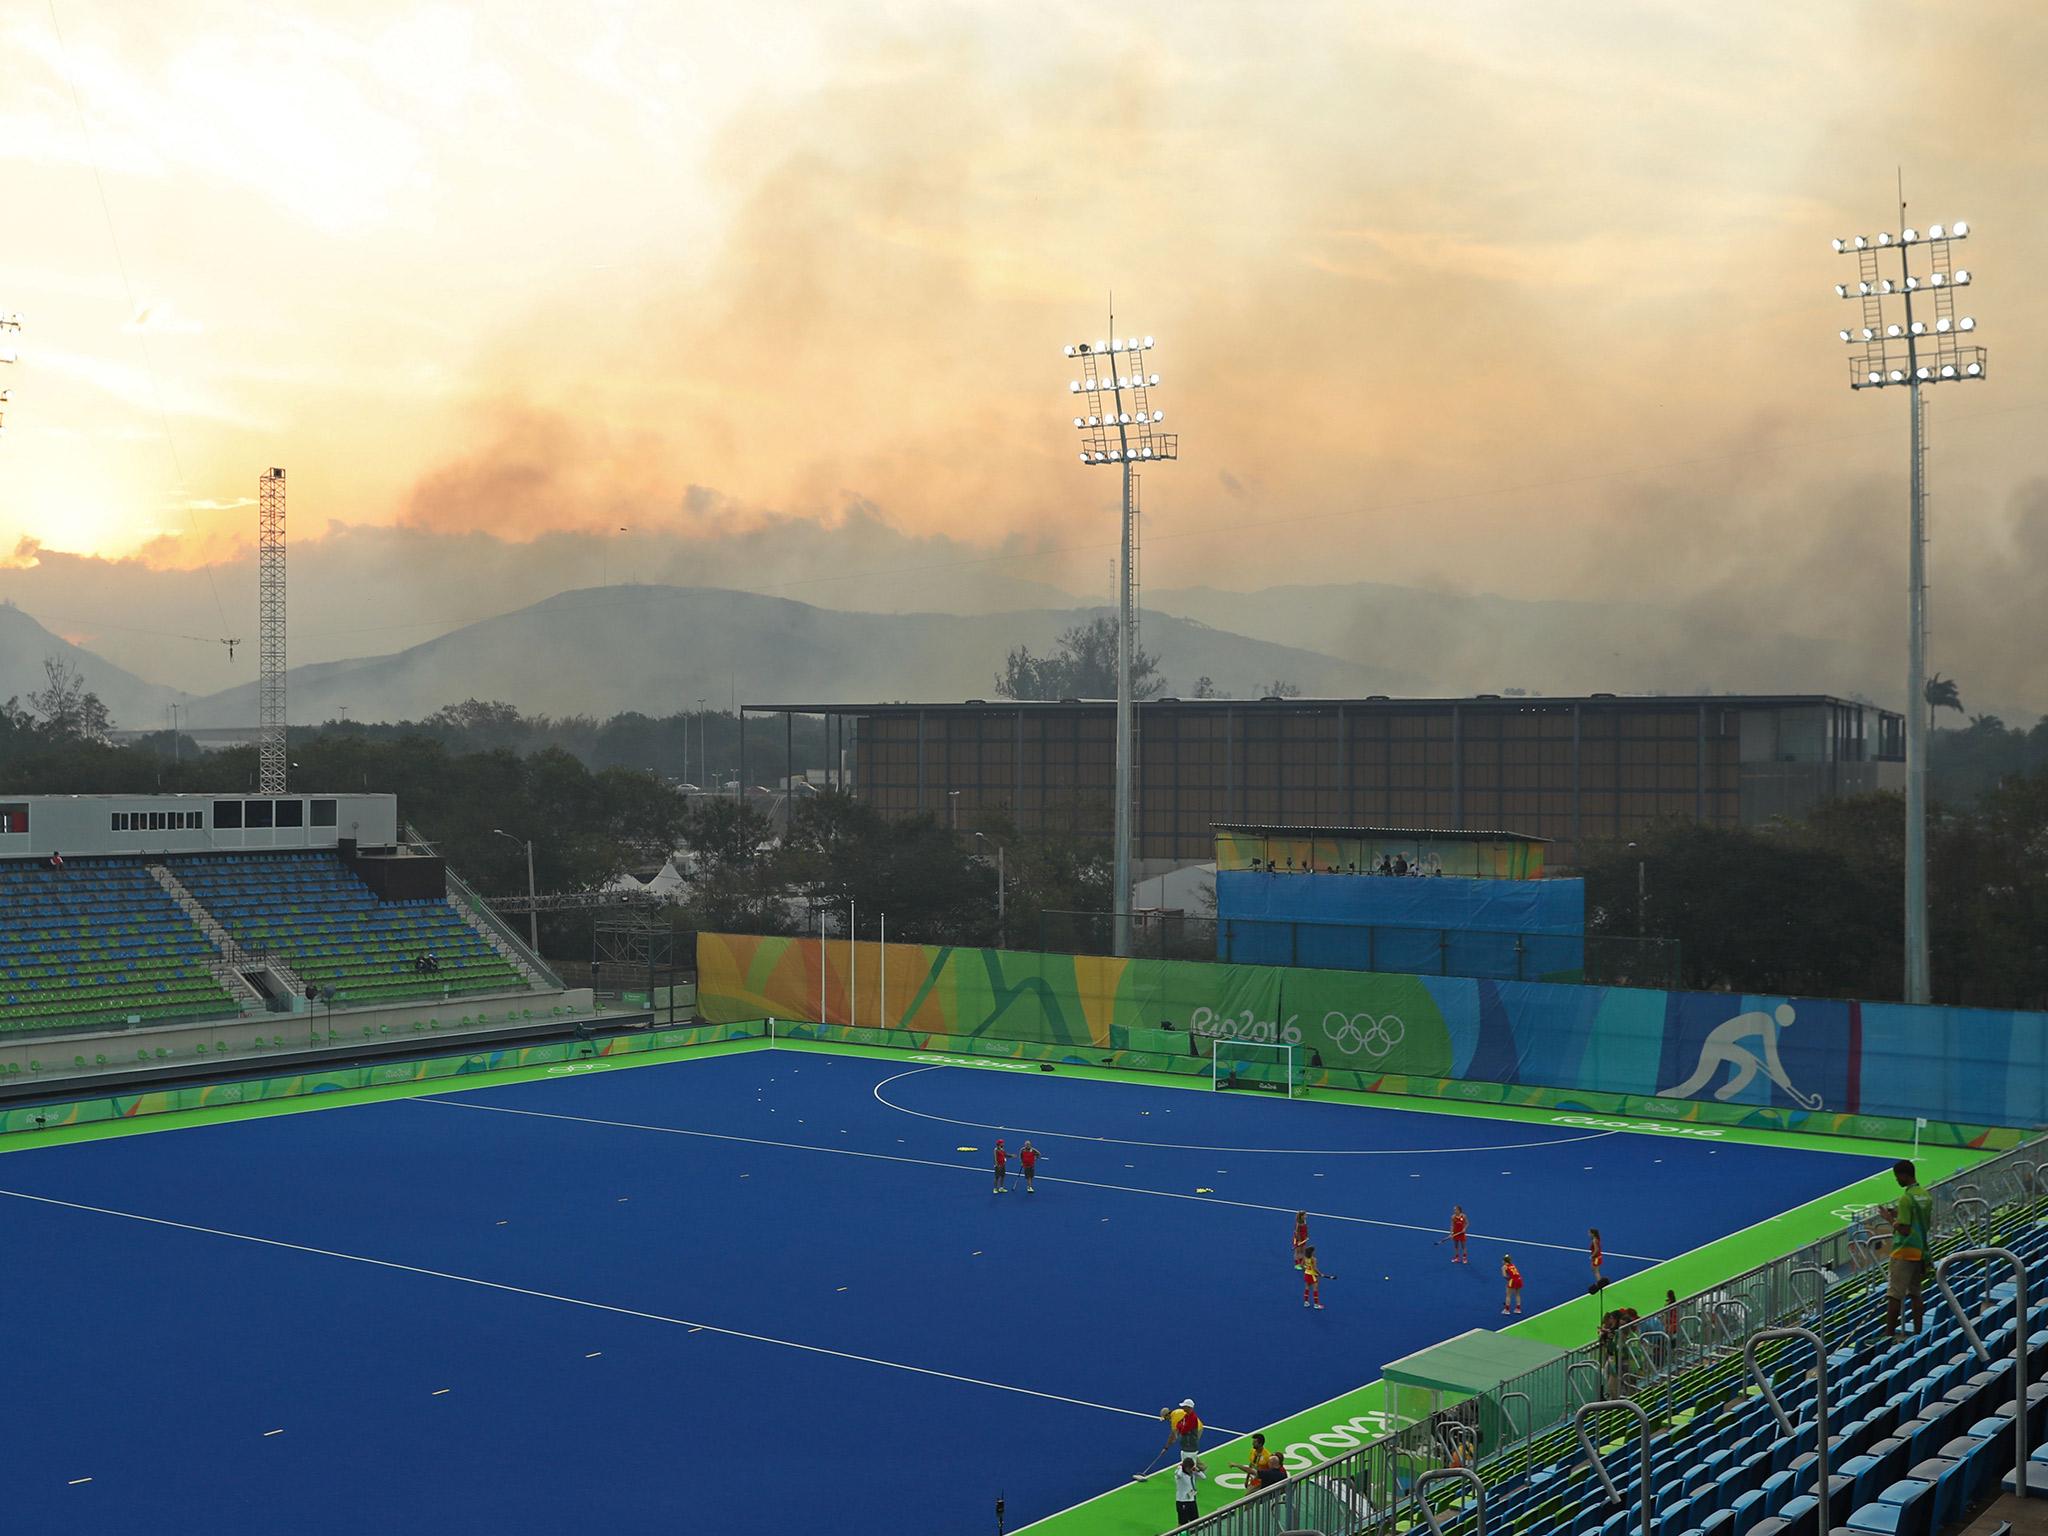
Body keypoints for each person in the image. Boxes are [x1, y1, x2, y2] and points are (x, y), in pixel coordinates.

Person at [1885, 1159, 1933, 1340]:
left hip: (1904, 1251)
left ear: (1904, 1175)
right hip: (1920, 1249)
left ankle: (1888, 1335)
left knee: (1895, 1294)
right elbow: (1919, 1221)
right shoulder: (1925, 1195)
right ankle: (1918, 1333)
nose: (1897, 1180)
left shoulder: (1906, 1198)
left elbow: (1904, 1229)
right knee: (1915, 1293)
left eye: (1897, 1176)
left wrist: (1890, 1219)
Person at [1173, 1455, 1205, 1525]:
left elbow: (1203, 1477)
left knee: (1195, 1522)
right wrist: (1180, 1467)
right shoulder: (1180, 1474)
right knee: (1182, 1524)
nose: (1191, 1469)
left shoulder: (1192, 1472)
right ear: (1186, 1467)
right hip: (1182, 1501)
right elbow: (1178, 1474)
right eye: (1190, 1468)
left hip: (1192, 1500)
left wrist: (1197, 1470)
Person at [1302, 1244, 1327, 1309]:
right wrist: (1320, 1274)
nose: (1315, 1252)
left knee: (1307, 1287)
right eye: (1314, 1251)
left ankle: (1306, 1302)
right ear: (1312, 1252)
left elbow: (1302, 1265)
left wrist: (1307, 1268)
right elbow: (1315, 1268)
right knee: (1315, 1289)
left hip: (1306, 1274)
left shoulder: (1304, 1257)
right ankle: (1316, 1304)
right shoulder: (1314, 1259)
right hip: (1312, 1275)